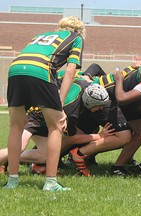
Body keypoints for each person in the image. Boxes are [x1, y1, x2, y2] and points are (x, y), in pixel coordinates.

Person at [4, 16, 85, 191]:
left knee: (15, 126)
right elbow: (70, 70)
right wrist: (60, 104)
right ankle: (50, 182)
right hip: (41, 69)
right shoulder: (77, 38)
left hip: (15, 69)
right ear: (78, 30)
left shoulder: (42, 35)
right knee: (56, 126)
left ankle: (12, 181)